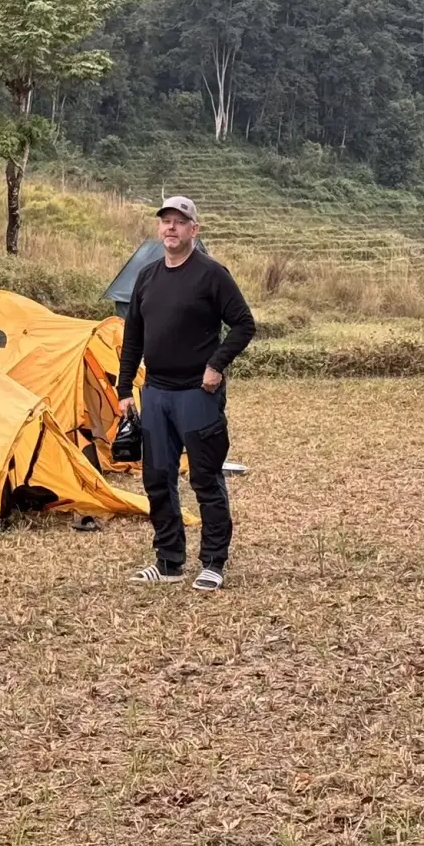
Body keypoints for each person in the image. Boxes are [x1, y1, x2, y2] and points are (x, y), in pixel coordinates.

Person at [115, 195, 256, 591]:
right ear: (159, 228)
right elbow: (133, 337)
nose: (171, 227)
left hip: (197, 392)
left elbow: (244, 324)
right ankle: (169, 561)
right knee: (157, 479)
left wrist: (216, 365)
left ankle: (213, 562)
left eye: (180, 221)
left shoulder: (211, 274)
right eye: (166, 221)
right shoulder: (148, 276)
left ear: (194, 229)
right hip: (156, 393)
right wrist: (124, 389)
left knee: (205, 478)